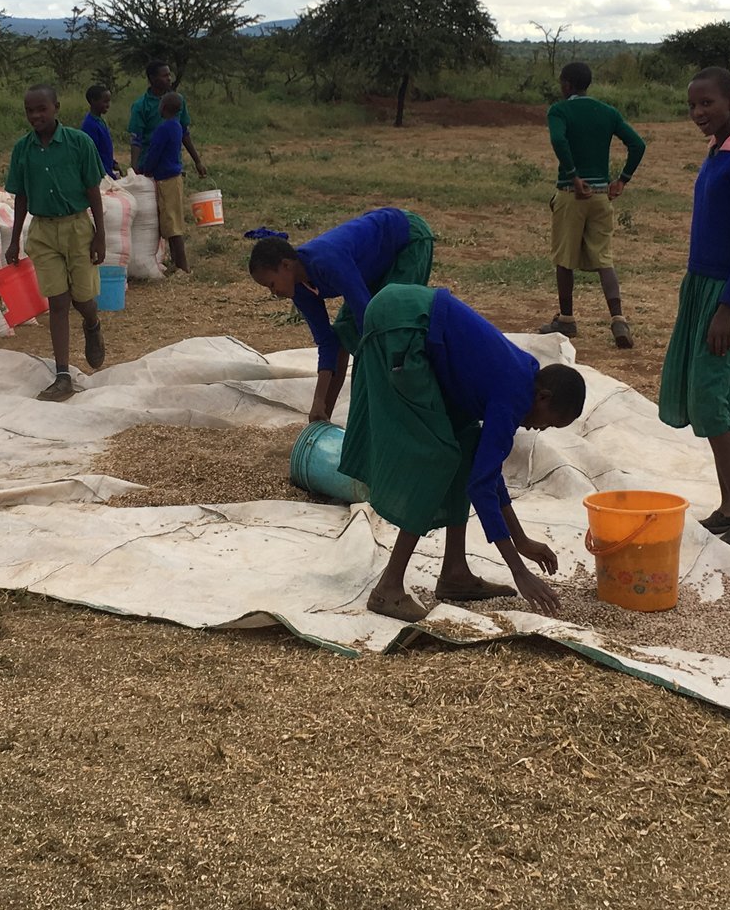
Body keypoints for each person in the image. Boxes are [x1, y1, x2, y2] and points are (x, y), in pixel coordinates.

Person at [340, 284, 585, 621]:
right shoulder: (512, 396)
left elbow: (486, 471)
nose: (539, 430)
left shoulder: (523, 378)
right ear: (542, 398)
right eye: (549, 423)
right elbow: (481, 487)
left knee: (465, 444)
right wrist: (517, 569)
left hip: (412, 316)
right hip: (403, 322)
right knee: (437, 457)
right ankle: (388, 589)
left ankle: (455, 573)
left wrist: (522, 539)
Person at [658, 67, 730, 548]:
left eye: (707, 103)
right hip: (701, 286)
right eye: (692, 106)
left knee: (711, 396)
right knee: (707, 395)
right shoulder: (716, 154)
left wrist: (727, 308)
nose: (698, 114)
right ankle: (729, 507)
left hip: (729, 292)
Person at [247, 206, 436, 422]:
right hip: (372, 261)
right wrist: (318, 401)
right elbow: (328, 342)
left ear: (286, 265)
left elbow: (367, 318)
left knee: (390, 323)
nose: (273, 293)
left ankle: (403, 406)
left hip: (407, 238)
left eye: (271, 284)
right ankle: (323, 417)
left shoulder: (327, 261)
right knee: (345, 332)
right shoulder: (299, 290)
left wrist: (371, 378)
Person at [2, 84, 108, 402]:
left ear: (56, 108)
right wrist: (14, 240)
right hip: (43, 232)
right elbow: (20, 196)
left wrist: (100, 234)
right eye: (30, 111)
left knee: (83, 299)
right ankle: (62, 376)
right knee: (57, 302)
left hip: (77, 227)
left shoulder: (79, 143)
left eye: (41, 109)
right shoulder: (23, 150)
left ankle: (92, 324)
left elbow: (93, 191)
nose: (36, 116)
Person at [541, 60, 647, 348]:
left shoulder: (559, 110)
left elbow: (558, 140)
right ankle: (618, 320)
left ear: (566, 85)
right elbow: (638, 144)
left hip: (572, 193)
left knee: (564, 258)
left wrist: (574, 176)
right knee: (604, 259)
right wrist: (622, 180)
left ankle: (566, 319)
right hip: (602, 195)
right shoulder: (607, 112)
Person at [137, 90, 192, 275]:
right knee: (171, 221)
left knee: (172, 222)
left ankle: (182, 266)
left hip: (167, 179)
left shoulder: (164, 128)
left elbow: (155, 152)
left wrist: (146, 169)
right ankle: (176, 263)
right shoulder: (176, 126)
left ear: (165, 108)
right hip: (172, 177)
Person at [128, 59, 207, 180]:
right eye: (164, 75)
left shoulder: (177, 101)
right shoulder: (140, 106)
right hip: (148, 165)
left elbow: (185, 133)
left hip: (171, 166)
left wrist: (197, 161)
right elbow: (136, 139)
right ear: (153, 78)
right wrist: (134, 167)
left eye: (169, 74)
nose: (169, 78)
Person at [80, 83, 124, 179]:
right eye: (105, 102)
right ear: (93, 101)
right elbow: (92, 155)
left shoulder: (100, 121)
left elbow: (104, 149)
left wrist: (113, 164)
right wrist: (107, 174)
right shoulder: (90, 125)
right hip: (99, 175)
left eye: (109, 101)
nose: (108, 105)